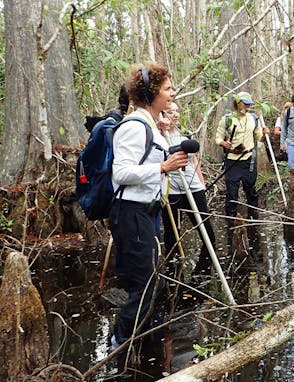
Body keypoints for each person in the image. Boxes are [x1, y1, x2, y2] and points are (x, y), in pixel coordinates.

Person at [109, 62, 189, 349]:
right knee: (145, 286)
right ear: (150, 92)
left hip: (146, 211)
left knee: (150, 282)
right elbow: (121, 173)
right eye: (168, 88)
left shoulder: (151, 126)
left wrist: (168, 160)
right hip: (132, 213)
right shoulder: (134, 126)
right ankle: (120, 346)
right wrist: (164, 167)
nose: (172, 93)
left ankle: (140, 344)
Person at [159, 101, 216, 280]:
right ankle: (175, 281)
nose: (174, 115)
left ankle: (203, 277)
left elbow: (194, 160)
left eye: (176, 111)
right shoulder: (157, 135)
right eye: (169, 112)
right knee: (171, 234)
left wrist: (201, 181)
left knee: (206, 231)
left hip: (193, 188)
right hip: (172, 190)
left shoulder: (184, 135)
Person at [214, 91, 268, 246]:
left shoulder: (254, 119)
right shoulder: (227, 119)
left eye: (249, 103)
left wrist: (265, 135)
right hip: (232, 160)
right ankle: (231, 225)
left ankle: (253, 219)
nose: (248, 106)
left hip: (248, 160)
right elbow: (218, 138)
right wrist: (224, 144)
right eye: (245, 103)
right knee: (232, 192)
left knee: (250, 189)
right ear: (237, 103)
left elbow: (259, 138)